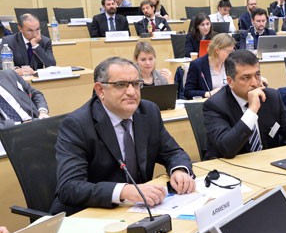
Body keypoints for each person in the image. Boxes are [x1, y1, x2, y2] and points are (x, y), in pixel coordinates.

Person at [51, 57, 195, 216]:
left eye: (136, 84)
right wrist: (124, 191)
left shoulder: (148, 112)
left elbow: (173, 152)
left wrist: (179, 170)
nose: (132, 92)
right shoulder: (78, 125)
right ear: (100, 90)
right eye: (121, 85)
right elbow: (69, 187)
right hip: (91, 214)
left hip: (138, 210)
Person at [202, 49, 286, 159]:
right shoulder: (215, 106)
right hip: (229, 166)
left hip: (266, 162)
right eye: (246, 78)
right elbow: (227, 149)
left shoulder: (271, 97)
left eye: (257, 75)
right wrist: (251, 111)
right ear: (230, 81)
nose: (255, 83)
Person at [184, 33, 235, 99]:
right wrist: (207, 94)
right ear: (217, 50)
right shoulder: (198, 65)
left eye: (232, 51)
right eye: (229, 52)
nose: (231, 55)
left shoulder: (231, 64)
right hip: (207, 102)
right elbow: (188, 92)